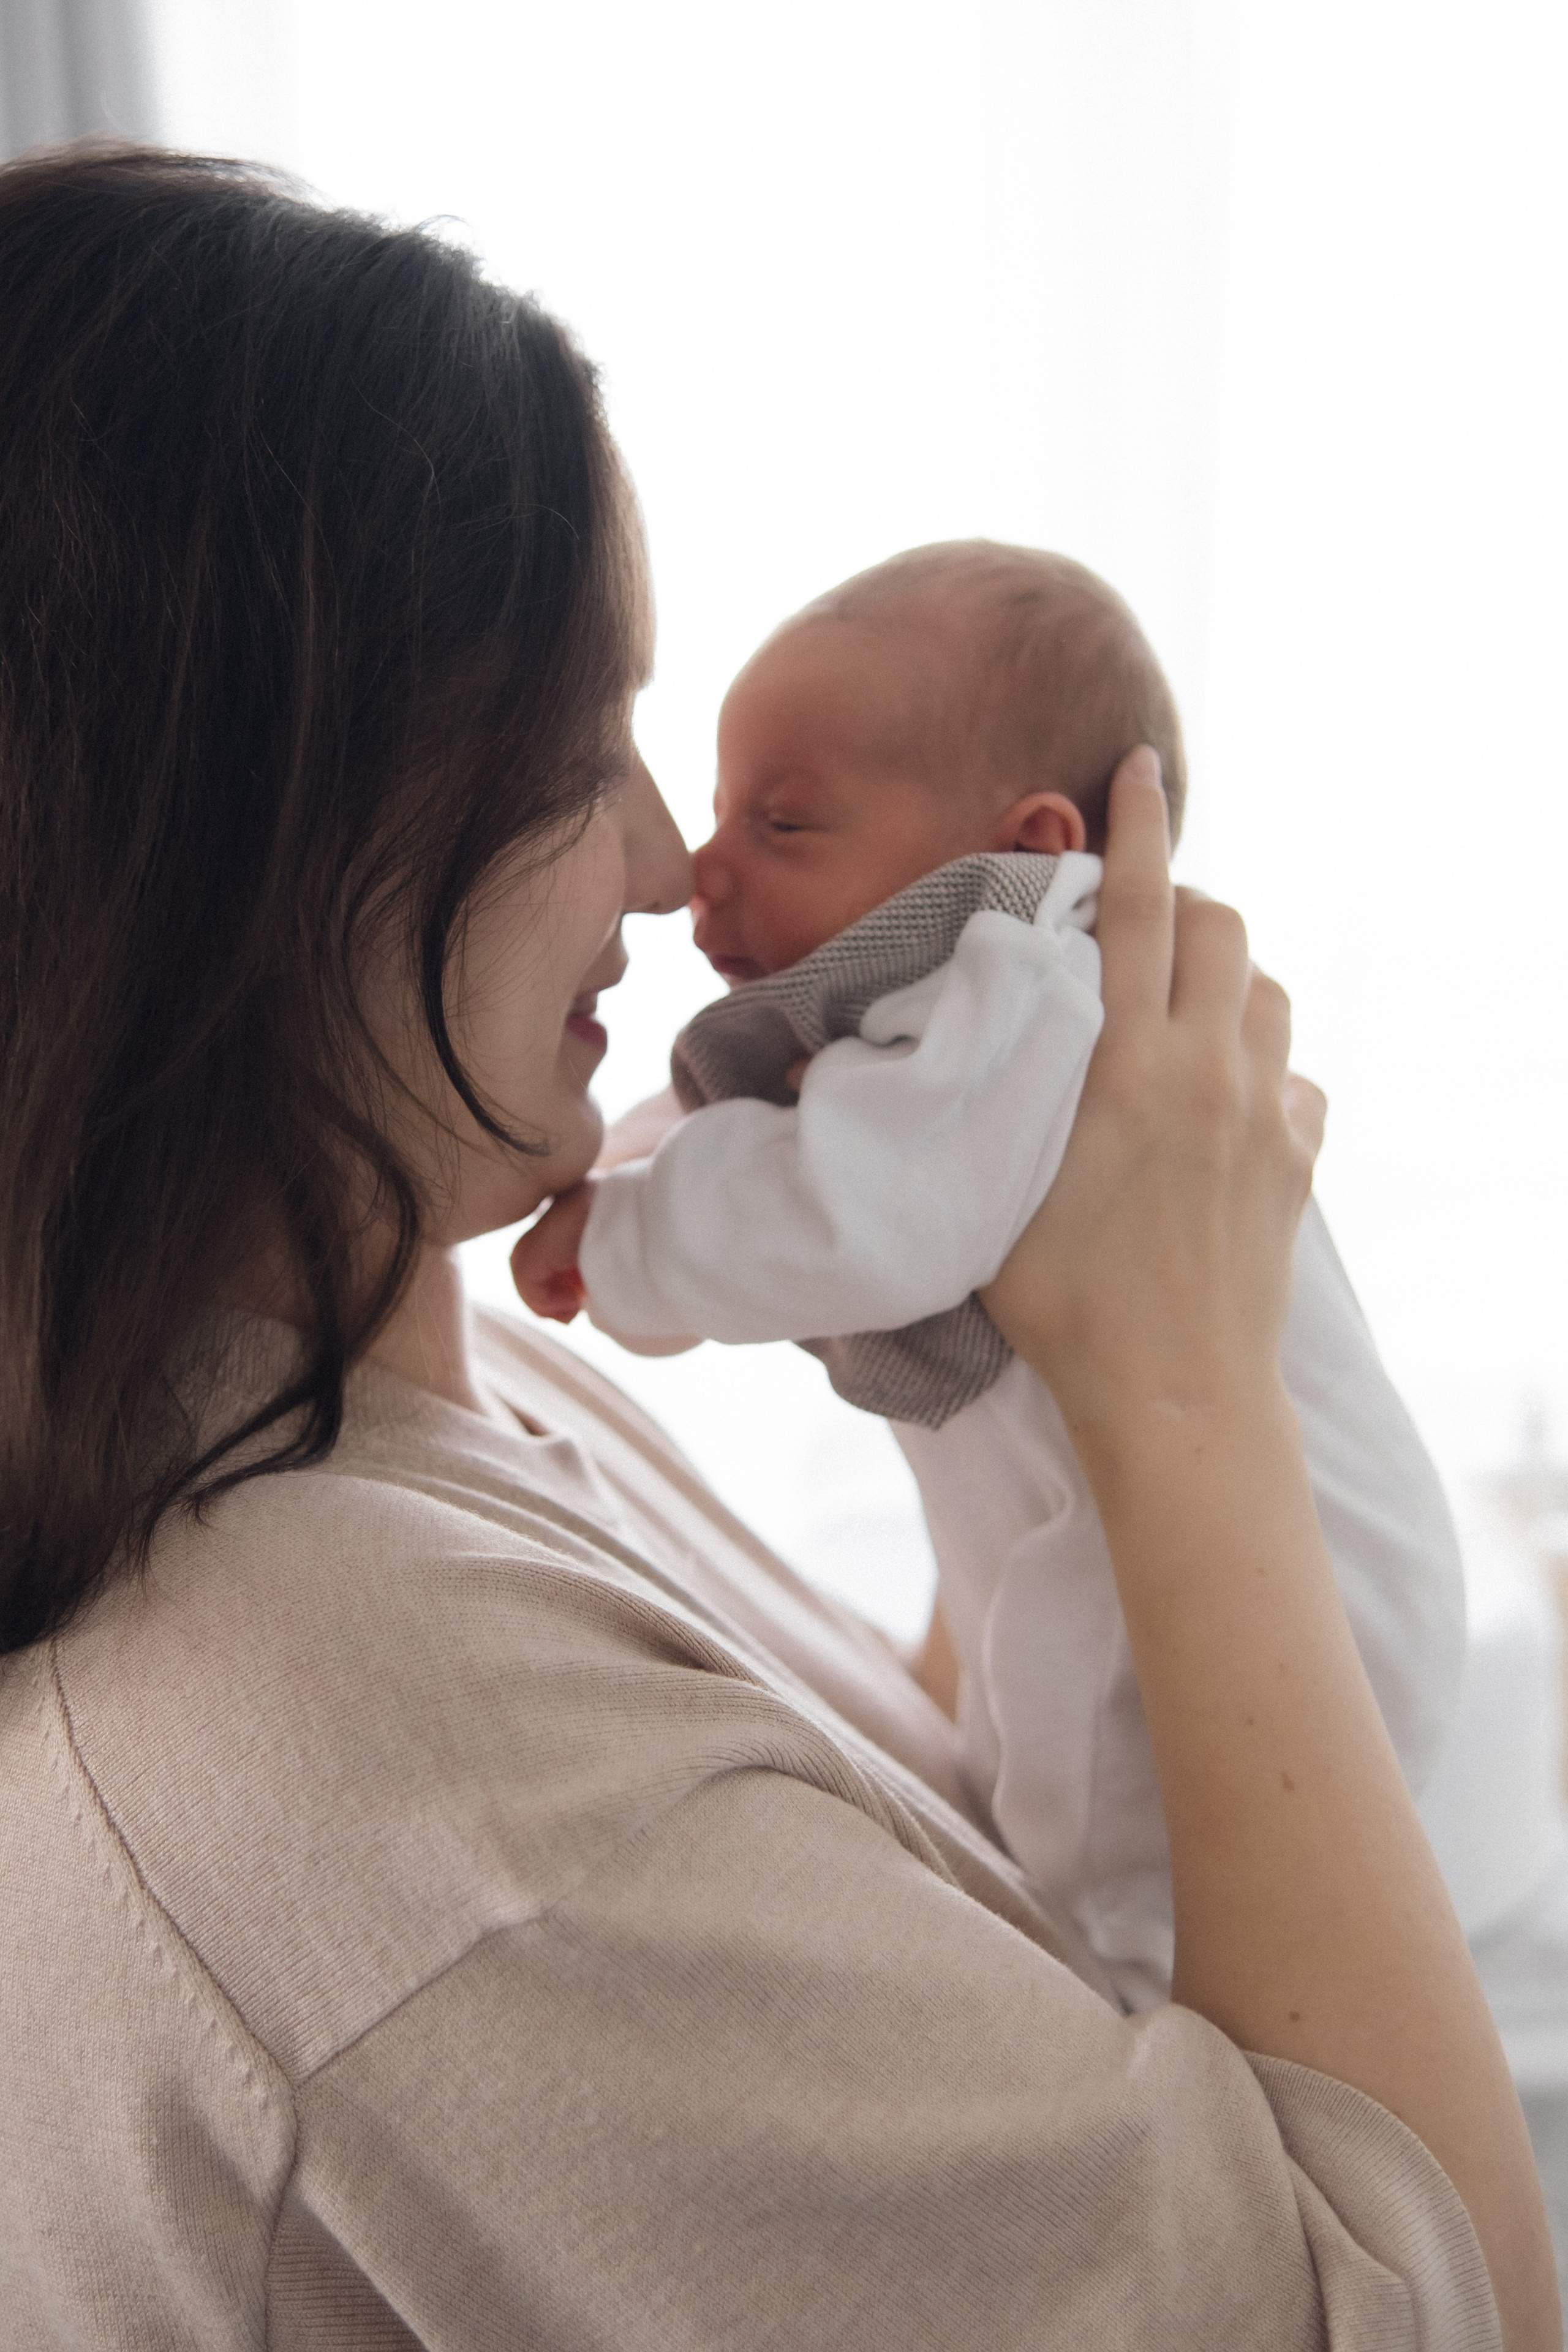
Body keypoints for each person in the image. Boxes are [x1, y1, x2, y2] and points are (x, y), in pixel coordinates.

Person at [0, 143, 1555, 2350]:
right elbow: (1427, 2310)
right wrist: (1184, 1382)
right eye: (575, 755)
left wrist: (1038, 1423)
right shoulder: (421, 1817)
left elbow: (922, 1810)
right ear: (260, 842)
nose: (661, 866)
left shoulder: (422, 1351)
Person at [510, 544, 1466, 2007]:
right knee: (1052, 1764)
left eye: (780, 821)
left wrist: (625, 1241)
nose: (704, 868)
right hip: (1256, 1582)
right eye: (721, 810)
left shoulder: (1025, 988)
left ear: (1018, 846)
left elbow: (862, 1210)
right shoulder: (925, 1014)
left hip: (1290, 1610)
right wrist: (624, 1174)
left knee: (1103, 1880)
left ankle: (1146, 2025)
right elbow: (752, 1128)